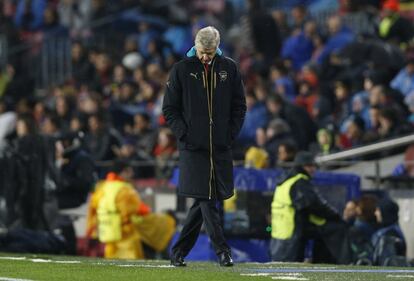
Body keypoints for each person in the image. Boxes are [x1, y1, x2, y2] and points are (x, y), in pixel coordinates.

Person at [162, 26, 246, 267]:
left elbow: (239, 106)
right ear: (195, 47)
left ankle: (177, 252)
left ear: (216, 47)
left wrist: (229, 135)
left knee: (203, 201)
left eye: (210, 52)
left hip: (219, 147)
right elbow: (169, 109)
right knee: (208, 201)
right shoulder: (181, 70)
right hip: (193, 148)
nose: (206, 57)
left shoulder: (228, 68)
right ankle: (223, 251)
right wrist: (184, 134)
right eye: (202, 52)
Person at [270, 151, 351, 264]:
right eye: (308, 166)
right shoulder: (300, 182)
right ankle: (337, 263)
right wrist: (334, 215)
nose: (312, 169)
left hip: (280, 234)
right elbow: (313, 205)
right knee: (335, 228)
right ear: (300, 167)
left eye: (313, 166)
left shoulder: (286, 181)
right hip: (292, 234)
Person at [86, 160, 176, 259]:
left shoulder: (102, 187)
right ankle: (162, 253)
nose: (132, 174)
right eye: (130, 171)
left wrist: (92, 231)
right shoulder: (125, 190)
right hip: (126, 234)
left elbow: (92, 211)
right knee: (166, 222)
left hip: (106, 232)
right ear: (124, 172)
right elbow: (138, 210)